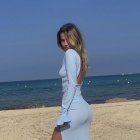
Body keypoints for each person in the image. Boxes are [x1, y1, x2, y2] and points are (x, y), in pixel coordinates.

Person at [51, 23, 93, 140]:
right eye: (62, 41)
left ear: (74, 38)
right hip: (84, 110)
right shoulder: (80, 56)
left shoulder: (69, 54)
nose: (65, 44)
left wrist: (63, 112)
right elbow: (77, 84)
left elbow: (72, 84)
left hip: (73, 110)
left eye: (67, 40)